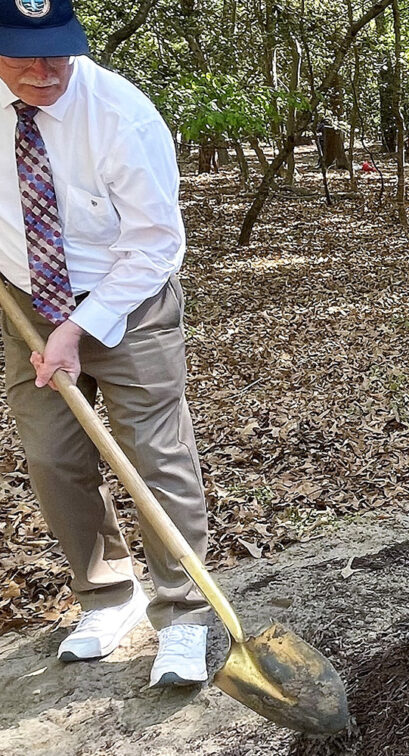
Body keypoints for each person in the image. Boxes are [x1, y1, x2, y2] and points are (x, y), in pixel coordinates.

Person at [0, 0, 212, 687]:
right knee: (51, 457)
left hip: (131, 296)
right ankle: (107, 597)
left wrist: (78, 329)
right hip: (27, 301)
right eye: (22, 54)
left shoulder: (120, 115)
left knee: (157, 456)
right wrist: (48, 324)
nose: (43, 69)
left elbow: (155, 245)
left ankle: (183, 617)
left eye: (57, 50)